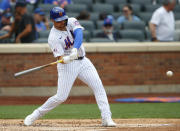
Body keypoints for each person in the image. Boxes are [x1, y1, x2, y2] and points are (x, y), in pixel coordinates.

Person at [24, 7, 116, 127]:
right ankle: (34, 115)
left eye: (63, 19)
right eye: (58, 21)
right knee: (61, 97)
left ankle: (106, 118)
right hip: (67, 66)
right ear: (52, 20)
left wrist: (75, 49)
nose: (62, 22)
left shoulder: (71, 21)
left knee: (98, 86)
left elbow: (79, 33)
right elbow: (60, 59)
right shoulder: (53, 37)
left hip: (83, 62)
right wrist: (65, 59)